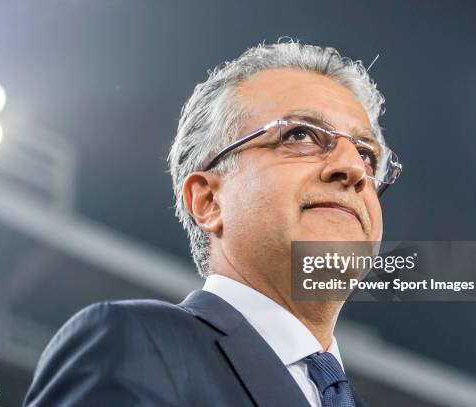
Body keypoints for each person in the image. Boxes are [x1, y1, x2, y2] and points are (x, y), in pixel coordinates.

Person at [23, 39, 401, 406]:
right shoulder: (136, 345)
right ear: (207, 200)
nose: (353, 168)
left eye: (366, 155)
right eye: (300, 135)